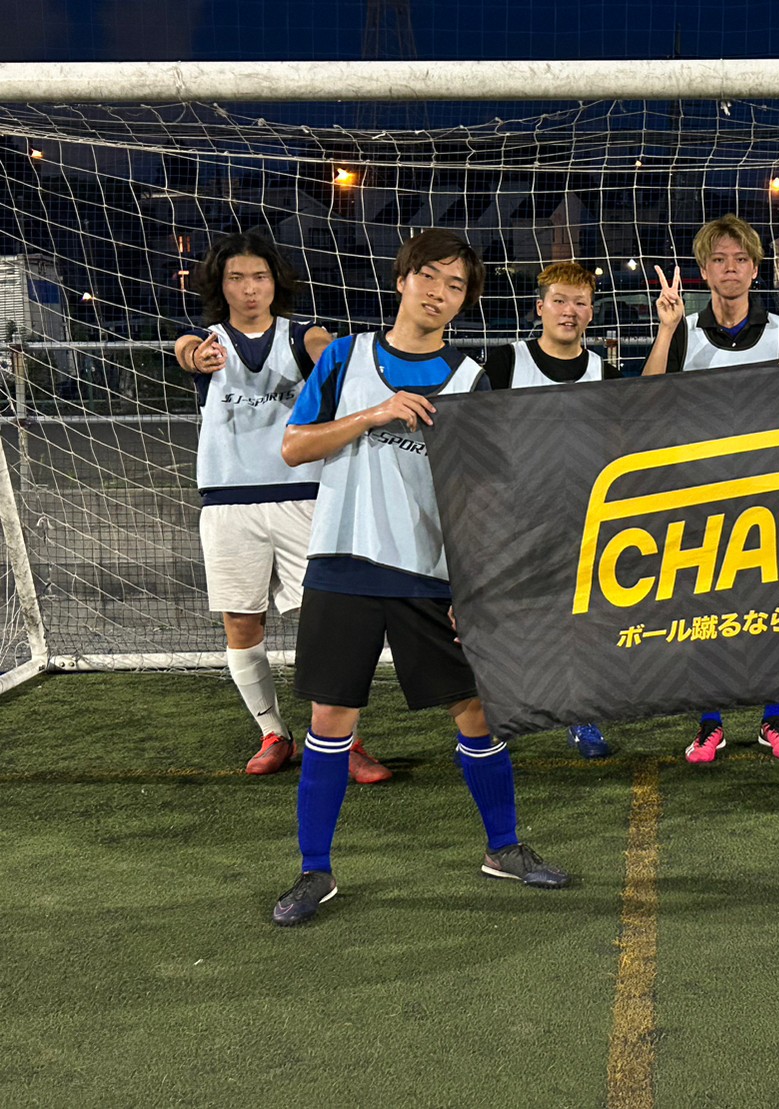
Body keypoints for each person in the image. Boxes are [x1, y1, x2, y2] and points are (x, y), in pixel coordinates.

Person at [271, 229, 569, 926]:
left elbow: (484, 496)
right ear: (403, 279)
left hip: (431, 576)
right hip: (343, 565)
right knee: (330, 721)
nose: (439, 292)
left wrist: (474, 584)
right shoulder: (345, 357)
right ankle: (314, 870)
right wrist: (375, 413)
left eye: (455, 285)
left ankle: (503, 847)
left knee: (476, 712)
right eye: (429, 276)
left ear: (464, 302)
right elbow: (293, 446)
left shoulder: (469, 380)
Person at [174, 232, 390, 783]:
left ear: (276, 283)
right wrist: (196, 356)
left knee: (325, 623)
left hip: (303, 499)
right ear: (220, 286)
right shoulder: (207, 340)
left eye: (260, 277)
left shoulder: (302, 335)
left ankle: (343, 741)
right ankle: (274, 733)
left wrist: (331, 360)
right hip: (228, 504)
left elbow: (327, 352)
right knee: (241, 623)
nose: (250, 288)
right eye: (237, 278)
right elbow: (186, 350)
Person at [641, 214, 779, 764]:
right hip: (700, 495)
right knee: (705, 611)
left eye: (740, 259)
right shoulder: (684, 331)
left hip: (770, 494)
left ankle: (773, 719)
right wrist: (666, 330)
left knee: (774, 609)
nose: (730, 268)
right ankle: (709, 723)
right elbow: (646, 400)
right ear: (705, 271)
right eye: (719, 260)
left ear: (756, 270)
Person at [479, 261, 619, 758]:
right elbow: (476, 435)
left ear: (591, 313)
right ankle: (500, 717)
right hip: (514, 515)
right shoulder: (504, 363)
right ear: (540, 307)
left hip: (581, 516)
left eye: (580, 302)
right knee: (508, 621)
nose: (569, 310)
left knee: (581, 622)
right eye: (559, 300)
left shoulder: (605, 373)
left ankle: (582, 716)